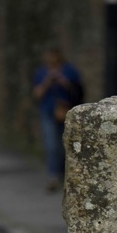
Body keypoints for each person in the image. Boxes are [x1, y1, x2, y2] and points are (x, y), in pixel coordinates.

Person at [31, 44, 83, 192]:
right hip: (48, 111)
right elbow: (37, 94)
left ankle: (62, 173)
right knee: (51, 144)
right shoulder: (42, 73)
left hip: (66, 111)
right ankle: (53, 176)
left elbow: (78, 91)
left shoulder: (69, 70)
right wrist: (48, 81)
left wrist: (63, 81)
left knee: (65, 144)